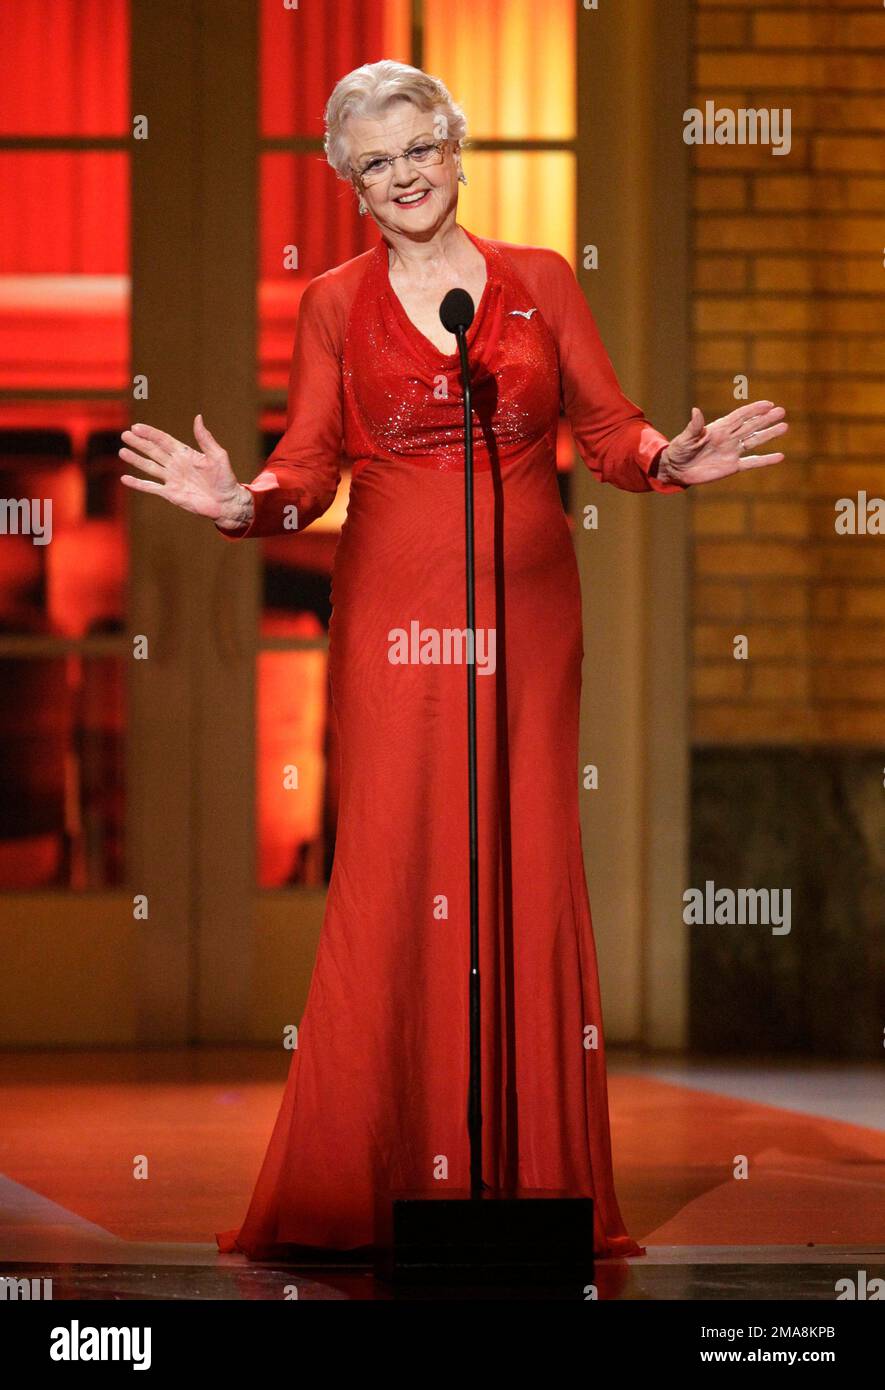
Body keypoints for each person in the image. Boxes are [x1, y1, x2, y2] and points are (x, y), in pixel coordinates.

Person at [119, 60, 787, 1260]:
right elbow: (310, 466)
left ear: (455, 147)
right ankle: (367, 1175)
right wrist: (241, 502)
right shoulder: (334, 302)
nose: (404, 176)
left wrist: (669, 462)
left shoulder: (535, 284)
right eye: (376, 162)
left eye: (419, 148)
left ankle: (527, 1181)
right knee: (398, 858)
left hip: (532, 619)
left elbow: (609, 425)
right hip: (396, 621)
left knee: (523, 864)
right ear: (350, 184)